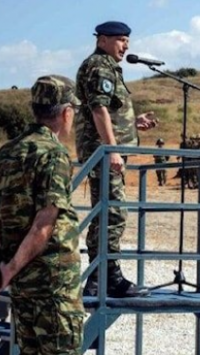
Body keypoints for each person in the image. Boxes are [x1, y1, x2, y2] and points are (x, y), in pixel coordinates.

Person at [0, 75, 84, 355]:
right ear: (66, 113)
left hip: (23, 286)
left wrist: (7, 270)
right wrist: (11, 268)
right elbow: (44, 224)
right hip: (52, 283)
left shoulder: (8, 153)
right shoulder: (53, 155)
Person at [76, 21, 156, 297]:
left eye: (127, 42)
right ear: (102, 41)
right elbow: (98, 108)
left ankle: (100, 278)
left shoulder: (108, 67)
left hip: (106, 152)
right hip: (104, 153)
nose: (125, 46)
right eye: (120, 40)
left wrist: (134, 123)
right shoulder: (99, 66)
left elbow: (110, 112)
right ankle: (109, 277)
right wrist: (112, 148)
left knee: (107, 214)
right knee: (113, 213)